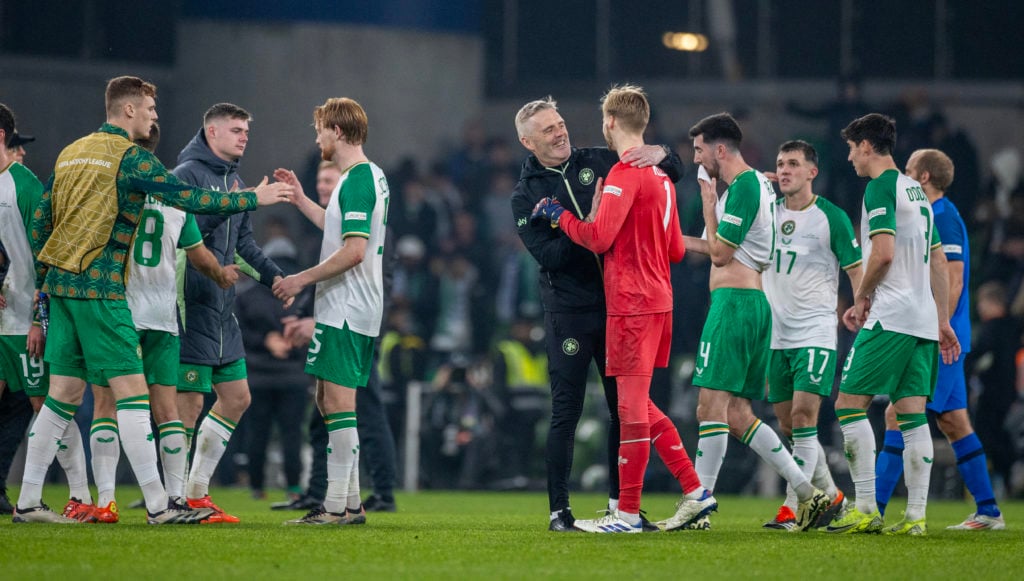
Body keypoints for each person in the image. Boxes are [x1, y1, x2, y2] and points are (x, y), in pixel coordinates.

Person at [13, 76, 291, 524]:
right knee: (133, 395)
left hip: (62, 289)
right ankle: (163, 507)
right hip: (102, 289)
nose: (154, 117)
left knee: (62, 394)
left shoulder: (70, 153)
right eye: (150, 110)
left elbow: (42, 224)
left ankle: (28, 500)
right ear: (128, 111)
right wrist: (250, 198)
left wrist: (44, 294)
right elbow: (187, 197)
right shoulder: (130, 159)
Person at [532, 85, 714, 534]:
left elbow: (597, 239)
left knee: (632, 412)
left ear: (610, 122)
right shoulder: (663, 179)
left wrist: (559, 216)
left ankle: (628, 513)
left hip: (630, 303)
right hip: (661, 302)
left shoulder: (621, 175)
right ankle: (694, 492)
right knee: (640, 406)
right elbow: (674, 249)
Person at [682, 112, 830, 532]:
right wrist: (665, 238)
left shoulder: (744, 186)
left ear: (720, 149)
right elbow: (714, 246)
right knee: (738, 414)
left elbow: (719, 253)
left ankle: (699, 504)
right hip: (750, 304)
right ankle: (809, 493)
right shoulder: (754, 186)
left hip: (734, 305)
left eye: (699, 150)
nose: (697, 159)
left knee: (709, 407)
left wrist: (709, 208)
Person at [88, 122, 239, 523]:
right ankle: (175, 499)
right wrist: (222, 274)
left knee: (106, 404)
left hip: (119, 311)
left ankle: (105, 501)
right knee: (166, 409)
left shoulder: (114, 191)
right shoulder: (173, 198)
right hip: (163, 317)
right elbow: (199, 253)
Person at [825, 114, 960, 536]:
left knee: (848, 405)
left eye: (851, 148)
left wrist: (861, 297)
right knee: (912, 414)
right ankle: (916, 519)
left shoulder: (880, 188)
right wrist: (941, 319)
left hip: (892, 315)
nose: (849, 158)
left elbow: (882, 254)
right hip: (921, 319)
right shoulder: (917, 193)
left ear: (867, 145)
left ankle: (865, 507)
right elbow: (938, 261)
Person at [271, 96, 389, 525]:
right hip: (345, 306)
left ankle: (338, 505)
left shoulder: (357, 179)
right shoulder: (361, 177)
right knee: (326, 399)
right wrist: (302, 199)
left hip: (347, 308)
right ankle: (350, 502)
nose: (317, 136)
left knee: (338, 403)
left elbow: (354, 251)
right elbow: (338, 228)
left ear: (336, 131)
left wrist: (301, 279)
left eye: (320, 128)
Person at [873, 148, 1005, 530]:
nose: (905, 175)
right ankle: (989, 511)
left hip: (940, 336)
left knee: (897, 413)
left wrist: (937, 326)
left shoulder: (943, 217)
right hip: (945, 333)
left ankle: (873, 510)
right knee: (953, 421)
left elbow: (956, 277)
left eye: (910, 169)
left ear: (924, 177)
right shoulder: (933, 214)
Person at [173, 102, 289, 524]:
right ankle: (174, 501)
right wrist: (245, 199)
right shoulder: (185, 175)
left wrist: (275, 278)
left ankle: (196, 492)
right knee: (185, 409)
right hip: (188, 306)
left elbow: (245, 246)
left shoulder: (234, 180)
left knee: (237, 398)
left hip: (223, 310)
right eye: (236, 130)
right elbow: (188, 234)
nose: (244, 137)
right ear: (211, 132)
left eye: (246, 131)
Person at [761, 140, 863, 529]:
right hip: (776, 335)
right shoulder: (767, 213)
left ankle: (794, 507)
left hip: (816, 330)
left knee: (805, 417)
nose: (784, 169)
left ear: (811, 172)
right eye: (780, 163)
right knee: (788, 425)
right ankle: (832, 496)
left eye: (792, 164)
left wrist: (859, 303)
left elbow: (855, 268)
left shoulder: (830, 217)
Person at [1, 103, 93, 521]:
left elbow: (46, 257)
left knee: (46, 404)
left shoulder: (24, 187)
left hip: (24, 321)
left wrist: (41, 318)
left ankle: (76, 495)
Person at [967, 281, 1023, 497]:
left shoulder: (990, 330)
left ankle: (986, 486)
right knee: (1007, 438)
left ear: (991, 302)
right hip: (1015, 395)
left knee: (985, 439)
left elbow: (979, 359)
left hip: (991, 396)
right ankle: (1007, 482)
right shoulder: (1015, 328)